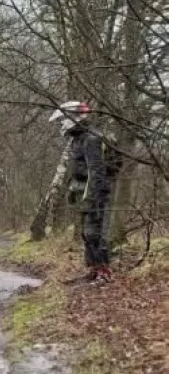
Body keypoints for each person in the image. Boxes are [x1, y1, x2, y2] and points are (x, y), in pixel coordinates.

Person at [49, 101, 113, 283]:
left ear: (73, 117)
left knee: (95, 232)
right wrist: (72, 189)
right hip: (85, 192)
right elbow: (79, 170)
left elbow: (96, 171)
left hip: (96, 194)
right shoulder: (78, 139)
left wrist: (91, 197)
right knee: (86, 233)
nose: (61, 125)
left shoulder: (91, 138)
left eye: (62, 120)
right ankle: (94, 270)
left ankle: (104, 272)